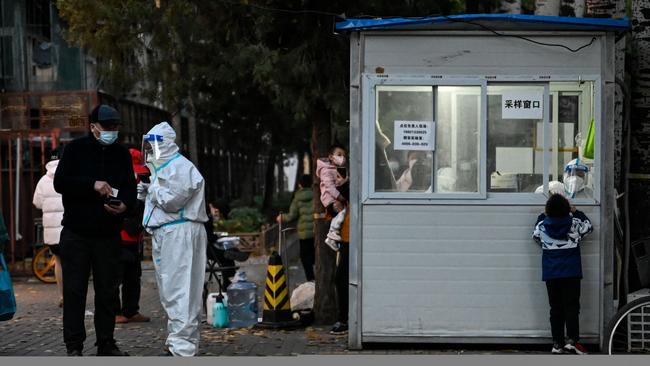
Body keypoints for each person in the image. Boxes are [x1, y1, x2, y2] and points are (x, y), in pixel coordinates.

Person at [53, 104, 136, 356]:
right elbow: (60, 183)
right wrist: (92, 184)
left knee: (108, 292)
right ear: (93, 127)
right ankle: (74, 346)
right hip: (77, 233)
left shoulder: (121, 154)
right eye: (107, 126)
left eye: (115, 127)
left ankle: (106, 343)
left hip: (108, 235)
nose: (112, 131)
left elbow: (130, 189)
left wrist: (125, 206)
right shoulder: (75, 150)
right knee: (75, 291)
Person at [139, 122, 208, 357]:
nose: (149, 151)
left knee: (182, 292)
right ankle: (177, 343)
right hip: (168, 234)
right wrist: (147, 191)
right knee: (171, 291)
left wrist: (152, 190)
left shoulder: (180, 167)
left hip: (181, 234)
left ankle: (184, 350)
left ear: (165, 145)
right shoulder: (165, 168)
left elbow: (172, 201)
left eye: (154, 145)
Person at [532, 194, 593, 355]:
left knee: (555, 308)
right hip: (571, 273)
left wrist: (543, 214)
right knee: (572, 307)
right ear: (567, 209)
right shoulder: (575, 224)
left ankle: (557, 343)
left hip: (551, 274)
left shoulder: (542, 226)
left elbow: (536, 236)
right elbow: (589, 226)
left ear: (548, 210)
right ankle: (572, 341)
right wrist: (577, 211)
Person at [114, 148, 150, 324]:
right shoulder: (117, 179)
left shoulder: (143, 183)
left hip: (136, 237)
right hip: (120, 236)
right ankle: (114, 312)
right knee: (116, 276)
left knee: (133, 277)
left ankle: (131, 310)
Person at [32, 147, 64, 308]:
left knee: (58, 261)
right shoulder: (68, 176)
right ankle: (74, 295)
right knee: (74, 262)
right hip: (68, 228)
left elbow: (37, 202)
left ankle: (62, 295)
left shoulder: (43, 181)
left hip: (51, 231)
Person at [276, 174, 315, 282]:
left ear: (300, 185)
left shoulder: (297, 198)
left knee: (305, 257)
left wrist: (281, 217)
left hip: (304, 233)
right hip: (315, 231)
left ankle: (311, 279)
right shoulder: (316, 195)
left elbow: (291, 216)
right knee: (315, 255)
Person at [316, 145, 348, 251]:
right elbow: (329, 187)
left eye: (344, 155)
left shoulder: (336, 169)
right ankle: (332, 233)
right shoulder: (326, 170)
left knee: (341, 212)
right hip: (330, 198)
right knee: (341, 211)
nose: (342, 157)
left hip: (333, 197)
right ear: (331, 157)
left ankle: (333, 236)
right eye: (339, 155)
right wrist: (340, 197)